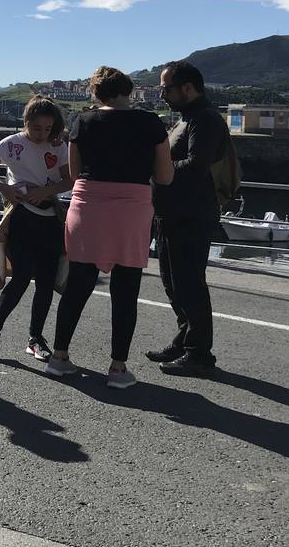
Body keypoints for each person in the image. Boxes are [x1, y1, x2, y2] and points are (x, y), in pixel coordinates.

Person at [46, 67, 173, 387]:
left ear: (96, 94)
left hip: (88, 206)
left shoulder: (82, 122)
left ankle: (59, 358)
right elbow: (165, 176)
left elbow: (75, 173)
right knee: (126, 290)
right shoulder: (151, 123)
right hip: (132, 209)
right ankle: (117, 368)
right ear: (127, 90)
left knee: (78, 284)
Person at [0, 96, 72, 363]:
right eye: (37, 128)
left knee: (45, 283)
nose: (43, 134)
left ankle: (35, 338)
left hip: (50, 219)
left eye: (48, 128)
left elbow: (69, 180)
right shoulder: (11, 144)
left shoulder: (58, 146)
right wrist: (6, 188)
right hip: (21, 218)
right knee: (20, 279)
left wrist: (45, 192)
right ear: (26, 122)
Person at [146, 60, 228, 378]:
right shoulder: (187, 118)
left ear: (188, 88)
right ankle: (184, 340)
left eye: (166, 88)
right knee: (173, 283)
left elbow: (196, 164)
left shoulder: (204, 119)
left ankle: (199, 352)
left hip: (191, 215)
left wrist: (157, 170)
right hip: (172, 213)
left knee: (190, 284)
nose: (162, 94)